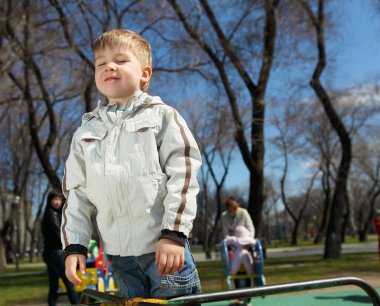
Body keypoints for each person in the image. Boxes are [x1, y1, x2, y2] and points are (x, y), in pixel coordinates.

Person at [61, 29, 202, 299]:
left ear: (145, 73)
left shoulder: (162, 116)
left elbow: (184, 172)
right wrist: (75, 246)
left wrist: (173, 233)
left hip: (163, 250)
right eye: (101, 63)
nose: (109, 66)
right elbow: (76, 193)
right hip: (119, 256)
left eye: (121, 60)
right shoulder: (85, 132)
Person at [41, 191, 79, 306]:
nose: (57, 202)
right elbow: (58, 234)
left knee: (54, 285)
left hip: (50, 253)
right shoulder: (51, 214)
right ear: (50, 201)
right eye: (54, 199)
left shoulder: (54, 214)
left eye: (59, 199)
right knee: (69, 280)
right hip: (55, 253)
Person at [224, 226, 256, 306]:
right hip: (239, 271)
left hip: (244, 271)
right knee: (239, 285)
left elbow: (254, 243)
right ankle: (240, 300)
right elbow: (226, 241)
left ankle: (246, 301)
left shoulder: (244, 252)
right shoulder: (238, 248)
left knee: (245, 285)